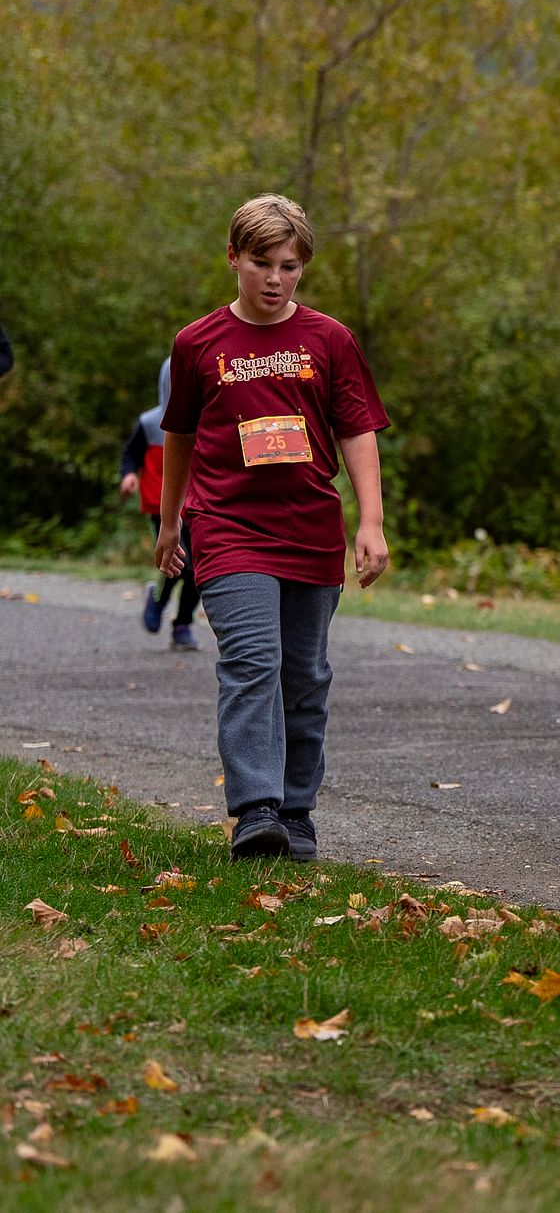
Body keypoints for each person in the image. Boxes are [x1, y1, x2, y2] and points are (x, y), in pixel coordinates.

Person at [159, 195, 392, 862]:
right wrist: (172, 519)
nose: (274, 278)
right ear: (233, 257)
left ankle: (295, 809)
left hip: (310, 528)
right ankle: (255, 810)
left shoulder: (329, 339)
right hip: (228, 525)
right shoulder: (197, 342)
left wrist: (370, 522)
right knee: (252, 661)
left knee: (305, 676)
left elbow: (357, 429)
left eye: (289, 266)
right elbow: (178, 435)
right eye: (261, 262)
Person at [119, 359, 202, 651]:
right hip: (162, 506)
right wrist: (129, 475)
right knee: (179, 564)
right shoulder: (149, 423)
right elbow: (130, 455)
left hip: (199, 505)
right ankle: (158, 601)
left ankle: (182, 624)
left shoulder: (206, 422)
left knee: (197, 570)